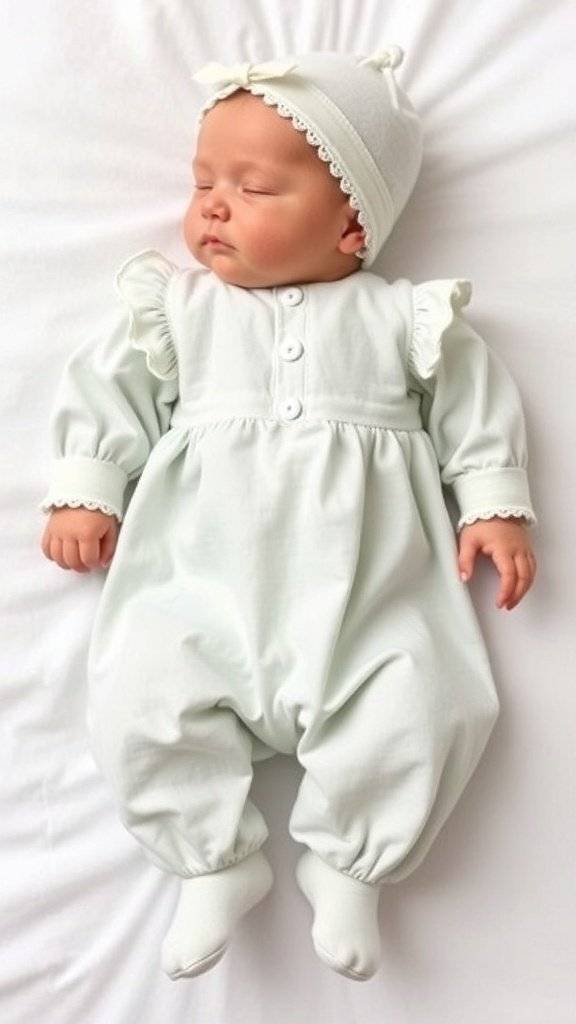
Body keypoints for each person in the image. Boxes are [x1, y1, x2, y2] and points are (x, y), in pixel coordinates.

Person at [38, 48, 538, 983]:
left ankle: (349, 865)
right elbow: (111, 389)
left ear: (354, 223)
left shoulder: (403, 319)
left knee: (430, 699)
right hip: (193, 585)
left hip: (371, 599)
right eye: (202, 183)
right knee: (138, 694)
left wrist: (494, 504)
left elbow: (475, 406)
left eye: (254, 186)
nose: (213, 206)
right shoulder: (182, 312)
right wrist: (87, 485)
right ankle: (213, 860)